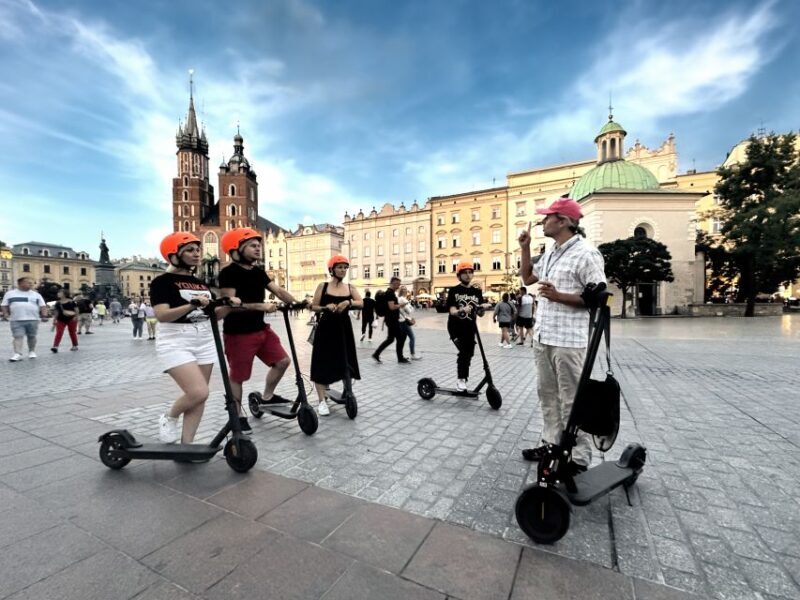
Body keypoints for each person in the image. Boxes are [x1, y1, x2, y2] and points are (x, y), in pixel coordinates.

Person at [518, 197, 607, 475]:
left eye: (548, 217)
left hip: (569, 341)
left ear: (564, 221)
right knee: (547, 395)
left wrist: (559, 296)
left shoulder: (587, 254)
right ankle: (552, 444)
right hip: (544, 337)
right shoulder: (552, 252)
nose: (543, 221)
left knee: (572, 400)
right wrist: (525, 248)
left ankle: (578, 459)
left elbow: (598, 298)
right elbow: (527, 279)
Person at [218, 228, 300, 432]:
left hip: (260, 329)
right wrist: (260, 306)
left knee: (282, 362)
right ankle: (237, 415)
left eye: (258, 245)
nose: (258, 248)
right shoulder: (228, 273)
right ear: (237, 249)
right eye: (253, 245)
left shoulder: (258, 272)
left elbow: (278, 291)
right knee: (238, 377)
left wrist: (297, 303)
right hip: (238, 333)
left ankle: (267, 398)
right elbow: (230, 306)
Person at [150, 232, 219, 444]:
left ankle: (187, 445)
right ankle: (169, 417)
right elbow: (162, 315)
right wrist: (192, 305)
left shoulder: (199, 283)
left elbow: (214, 314)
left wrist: (231, 305)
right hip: (175, 339)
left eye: (197, 249)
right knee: (198, 391)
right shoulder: (162, 282)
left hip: (204, 338)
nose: (197, 254)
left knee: (200, 397)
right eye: (190, 250)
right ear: (173, 255)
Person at [310, 255, 363, 415]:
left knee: (346, 360)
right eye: (340, 267)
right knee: (321, 362)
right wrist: (326, 307)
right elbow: (313, 306)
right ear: (332, 269)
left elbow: (361, 303)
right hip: (326, 328)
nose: (343, 270)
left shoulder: (350, 287)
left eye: (345, 267)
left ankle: (348, 392)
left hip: (343, 329)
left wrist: (349, 302)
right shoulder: (323, 286)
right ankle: (321, 402)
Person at [446, 262, 490, 390]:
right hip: (456, 327)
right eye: (464, 273)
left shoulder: (477, 291)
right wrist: (461, 311)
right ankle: (461, 379)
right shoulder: (454, 291)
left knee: (469, 353)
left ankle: (463, 378)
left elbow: (480, 313)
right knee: (464, 352)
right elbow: (452, 311)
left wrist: (483, 309)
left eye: (470, 272)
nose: (468, 275)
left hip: (470, 328)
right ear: (459, 276)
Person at [1, 277, 48, 361]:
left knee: (32, 336)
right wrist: (5, 314)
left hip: (33, 319)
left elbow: (43, 306)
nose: (31, 284)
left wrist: (44, 315)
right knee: (17, 336)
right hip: (16, 319)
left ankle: (32, 351)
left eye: (31, 283)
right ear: (20, 284)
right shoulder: (10, 293)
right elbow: (4, 305)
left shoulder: (36, 294)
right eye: (28, 282)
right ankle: (17, 353)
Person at [371, 276, 409, 364]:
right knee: (401, 337)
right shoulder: (390, 293)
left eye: (399, 284)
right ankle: (400, 358)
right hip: (392, 320)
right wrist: (401, 305)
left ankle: (376, 354)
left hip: (390, 319)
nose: (398, 286)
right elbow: (391, 307)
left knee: (391, 339)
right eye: (397, 284)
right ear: (393, 283)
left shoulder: (390, 293)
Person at [398, 285, 421, 360]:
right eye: (405, 290)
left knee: (403, 339)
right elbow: (409, 311)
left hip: (401, 320)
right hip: (404, 321)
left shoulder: (399, 298)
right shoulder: (403, 300)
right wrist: (411, 307)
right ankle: (412, 355)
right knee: (412, 337)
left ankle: (401, 356)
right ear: (403, 291)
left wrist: (409, 306)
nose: (405, 291)